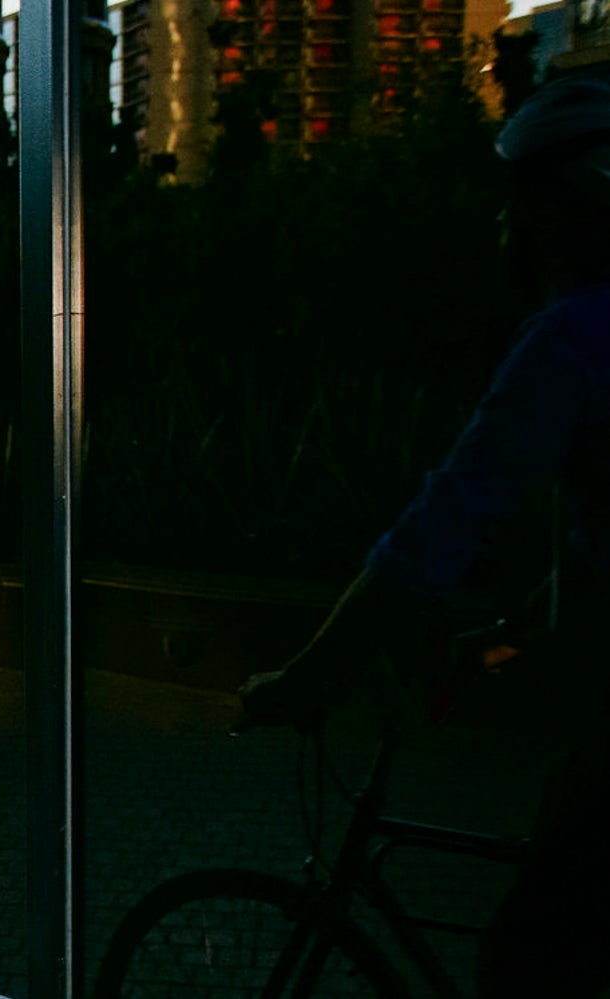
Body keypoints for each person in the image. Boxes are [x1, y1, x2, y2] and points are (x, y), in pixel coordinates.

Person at [240, 72, 610, 998]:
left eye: (519, 206)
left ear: (573, 206)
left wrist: (307, 676)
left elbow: (443, 524)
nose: (503, 231)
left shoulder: (575, 334)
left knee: (530, 961)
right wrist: (525, 622)